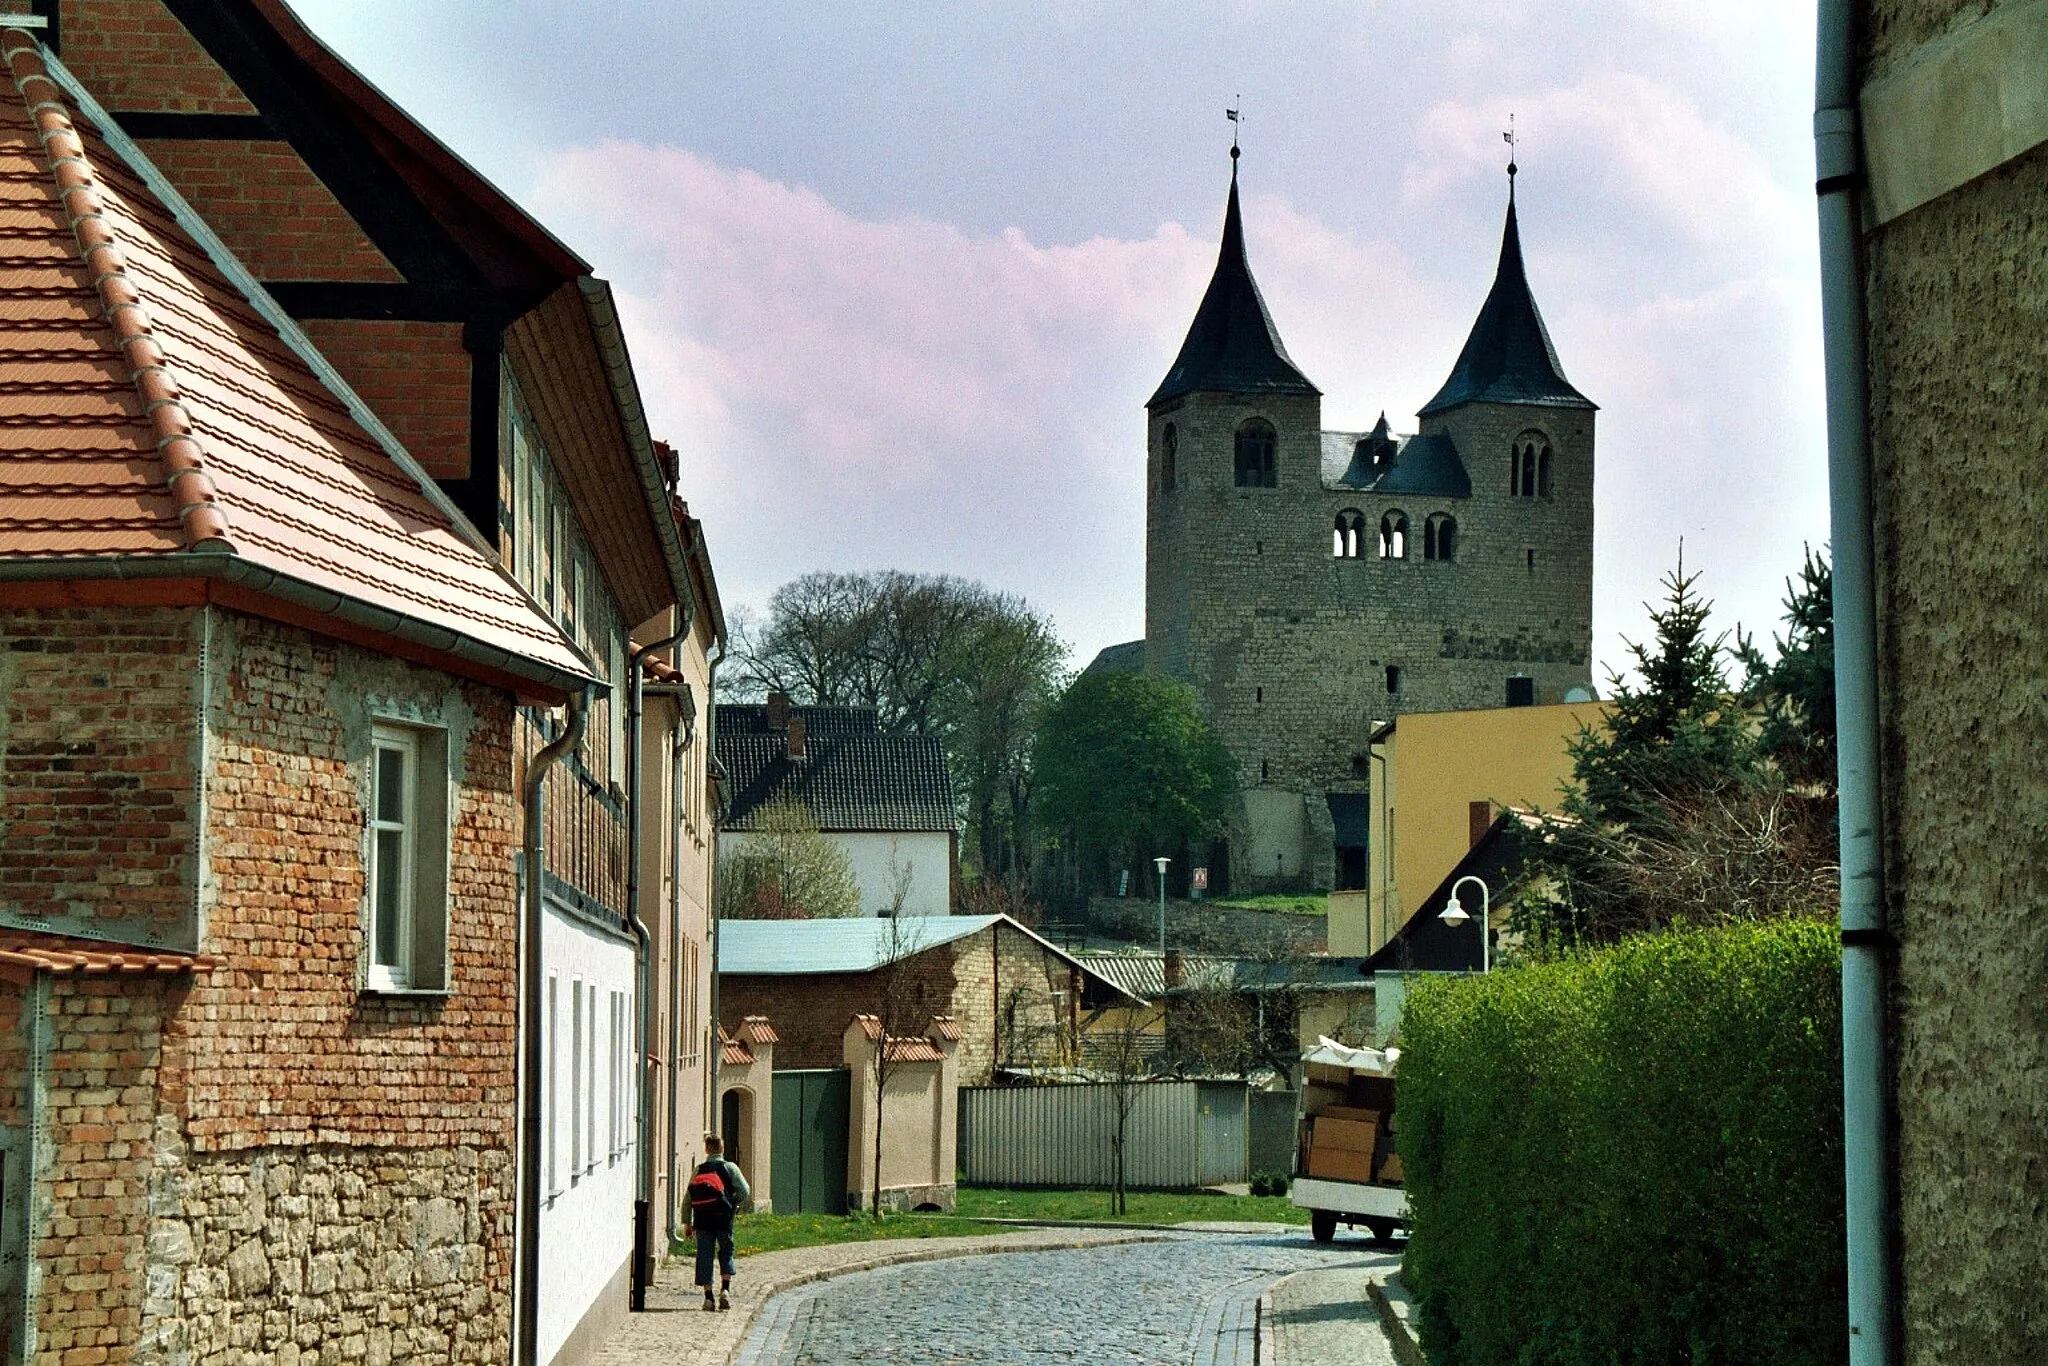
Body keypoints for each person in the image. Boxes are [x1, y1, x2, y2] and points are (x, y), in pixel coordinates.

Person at [685, 1133, 749, 1311]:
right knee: (726, 1250)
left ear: (706, 1149)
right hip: (723, 1217)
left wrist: (687, 1223)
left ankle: (708, 1298)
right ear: (722, 1148)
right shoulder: (730, 1168)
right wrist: (732, 1202)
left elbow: (688, 1198)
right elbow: (745, 1191)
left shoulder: (699, 1170)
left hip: (702, 1218)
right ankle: (725, 1289)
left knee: (704, 1254)